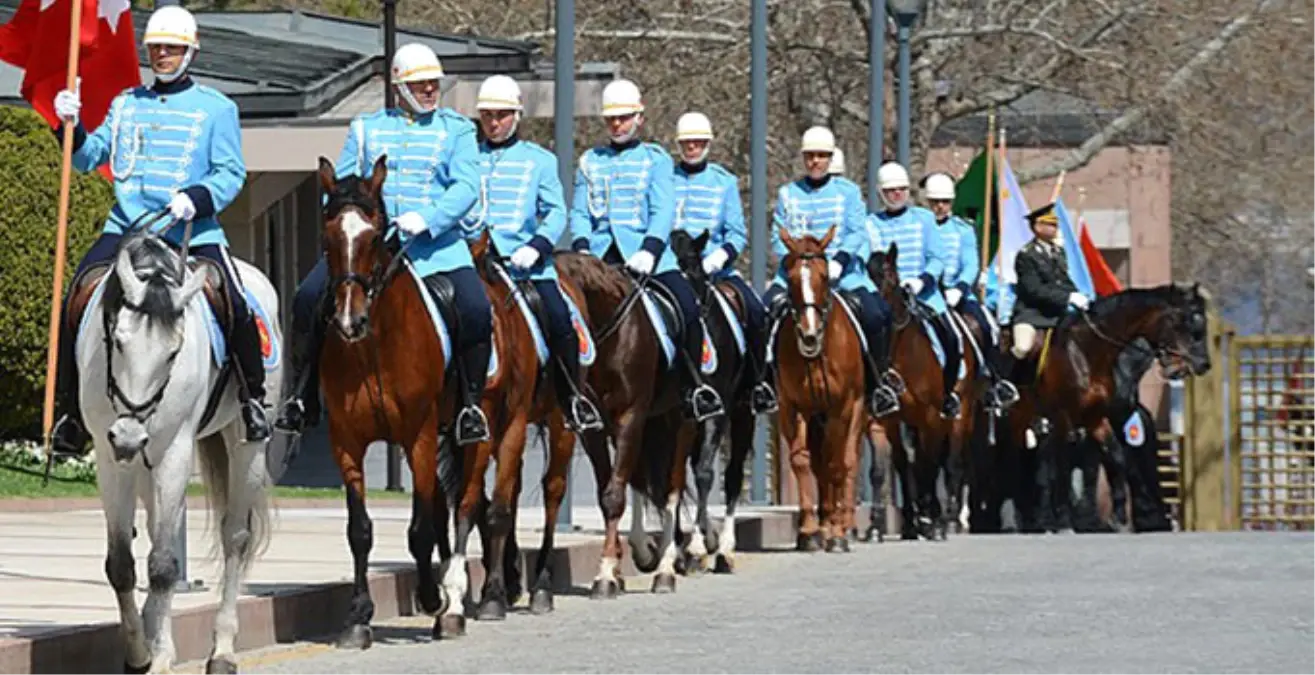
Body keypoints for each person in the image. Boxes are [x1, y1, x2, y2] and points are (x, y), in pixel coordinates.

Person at [49, 5, 268, 452]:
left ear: (191, 50)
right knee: (76, 298)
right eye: (155, 49)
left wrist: (197, 197)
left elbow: (230, 173)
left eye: (171, 48)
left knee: (235, 301)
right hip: (128, 230)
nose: (162, 56)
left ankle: (253, 400)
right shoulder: (127, 103)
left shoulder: (216, 109)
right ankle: (70, 412)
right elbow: (89, 158)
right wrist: (67, 125)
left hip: (193, 231)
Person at [273, 43, 490, 446]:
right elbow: (337, 187)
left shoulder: (457, 130)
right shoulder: (366, 128)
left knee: (476, 309)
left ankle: (469, 408)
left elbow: (465, 188)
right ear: (398, 87)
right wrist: (356, 219)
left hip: (437, 248)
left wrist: (428, 218)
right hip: (368, 249)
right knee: (306, 299)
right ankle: (301, 398)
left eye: (433, 84)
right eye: (419, 84)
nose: (429, 90)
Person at [569, 79, 724, 421]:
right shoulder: (590, 160)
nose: (617, 124)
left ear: (639, 118)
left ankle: (694, 387)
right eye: (611, 119)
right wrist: (582, 251)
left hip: (647, 256)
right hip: (598, 259)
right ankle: (567, 394)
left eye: (624, 118)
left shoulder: (655, 160)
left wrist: (650, 250)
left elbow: (662, 211)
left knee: (687, 307)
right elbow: (579, 212)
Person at [459, 74, 603, 432]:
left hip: (524, 265)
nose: (494, 123)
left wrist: (536, 246)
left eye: (502, 115)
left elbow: (556, 212)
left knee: (559, 317)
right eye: (488, 115)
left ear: (517, 116)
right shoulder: (465, 157)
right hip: (473, 262)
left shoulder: (539, 160)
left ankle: (572, 399)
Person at [764, 126, 900, 417]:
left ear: (830, 158)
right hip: (799, 275)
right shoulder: (788, 194)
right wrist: (798, 262)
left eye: (822, 156)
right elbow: (778, 236)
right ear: (803, 159)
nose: (816, 162)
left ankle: (879, 384)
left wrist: (838, 260)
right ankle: (764, 384)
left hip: (844, 274)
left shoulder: (848, 192)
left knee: (878, 314)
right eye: (810, 156)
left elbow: (856, 231)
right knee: (763, 313)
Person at [670, 111, 777, 414]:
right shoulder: (665, 178)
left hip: (714, 270)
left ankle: (757, 385)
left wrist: (719, 257)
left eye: (698, 142)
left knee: (757, 312)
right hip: (672, 268)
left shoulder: (724, 181)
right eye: (687, 143)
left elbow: (737, 233)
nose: (692, 147)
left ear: (707, 143)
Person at [867, 162, 962, 419]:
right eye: (890, 191)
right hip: (885, 299)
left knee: (953, 339)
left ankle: (948, 393)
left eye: (901, 189)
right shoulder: (871, 224)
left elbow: (936, 259)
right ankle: (873, 393)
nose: (896, 194)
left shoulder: (924, 219)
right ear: (881, 193)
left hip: (924, 295)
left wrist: (920, 281)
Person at [922, 172, 1019, 412]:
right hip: (928, 293)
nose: (940, 207)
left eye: (944, 202)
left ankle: (994, 381)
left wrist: (960, 288)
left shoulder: (962, 229)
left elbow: (971, 264)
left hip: (958, 293)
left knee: (988, 327)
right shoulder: (919, 227)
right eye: (935, 202)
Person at [1001, 202, 1090, 383]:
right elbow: (1033, 290)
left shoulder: (1058, 252)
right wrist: (1067, 297)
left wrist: (1078, 295)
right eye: (1050, 224)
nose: (1055, 228)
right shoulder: (1027, 255)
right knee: (1023, 347)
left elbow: (1063, 281)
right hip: (1031, 314)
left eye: (1055, 224)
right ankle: (1006, 385)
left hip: (1058, 314)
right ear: (1037, 227)